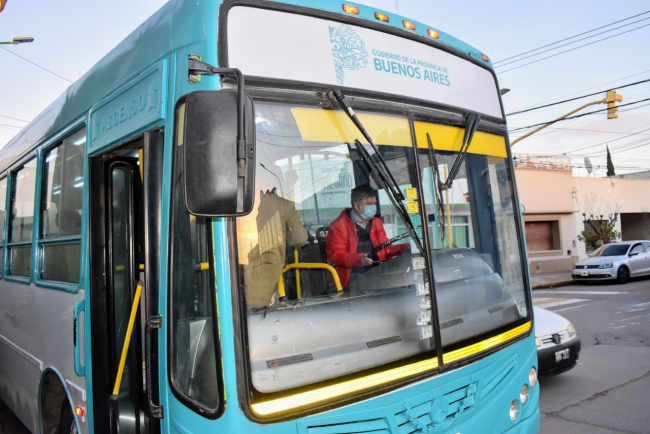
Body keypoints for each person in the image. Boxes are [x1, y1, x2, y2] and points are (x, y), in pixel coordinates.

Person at [245, 164, 308, 307]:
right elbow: (300, 239)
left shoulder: (244, 203)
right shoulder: (282, 205)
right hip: (268, 271)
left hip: (243, 270)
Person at [326, 184, 409, 287]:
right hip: (351, 275)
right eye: (369, 204)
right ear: (357, 205)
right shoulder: (338, 226)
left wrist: (405, 247)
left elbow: (384, 249)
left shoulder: (376, 222)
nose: (373, 207)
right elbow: (335, 256)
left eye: (374, 203)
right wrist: (359, 259)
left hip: (375, 270)